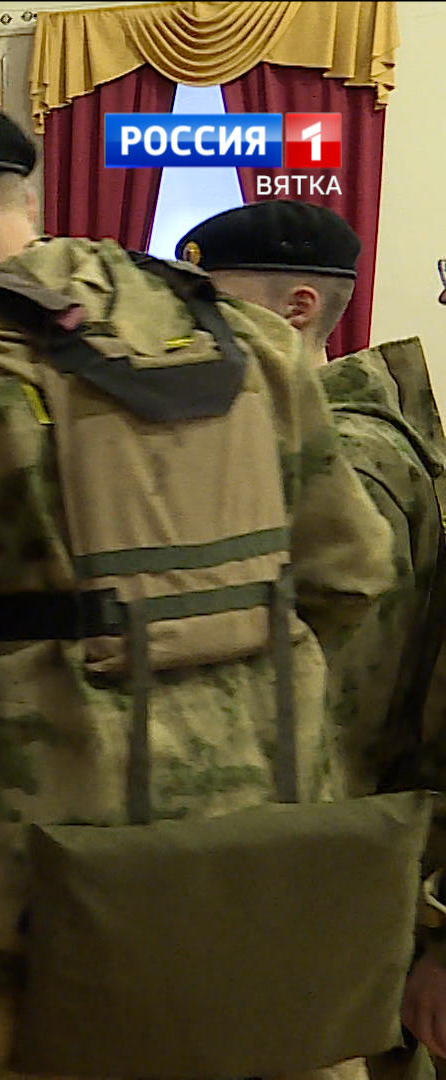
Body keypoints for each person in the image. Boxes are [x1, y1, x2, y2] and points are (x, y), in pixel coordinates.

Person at [0, 101, 394, 1080]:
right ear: (25, 200)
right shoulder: (251, 345)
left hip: (35, 877)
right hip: (264, 847)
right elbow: (353, 572)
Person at [182, 204, 446, 1066]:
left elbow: (330, 721)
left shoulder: (349, 466)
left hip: (324, 895)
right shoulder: (294, 450)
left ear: (296, 310)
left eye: (207, 305)